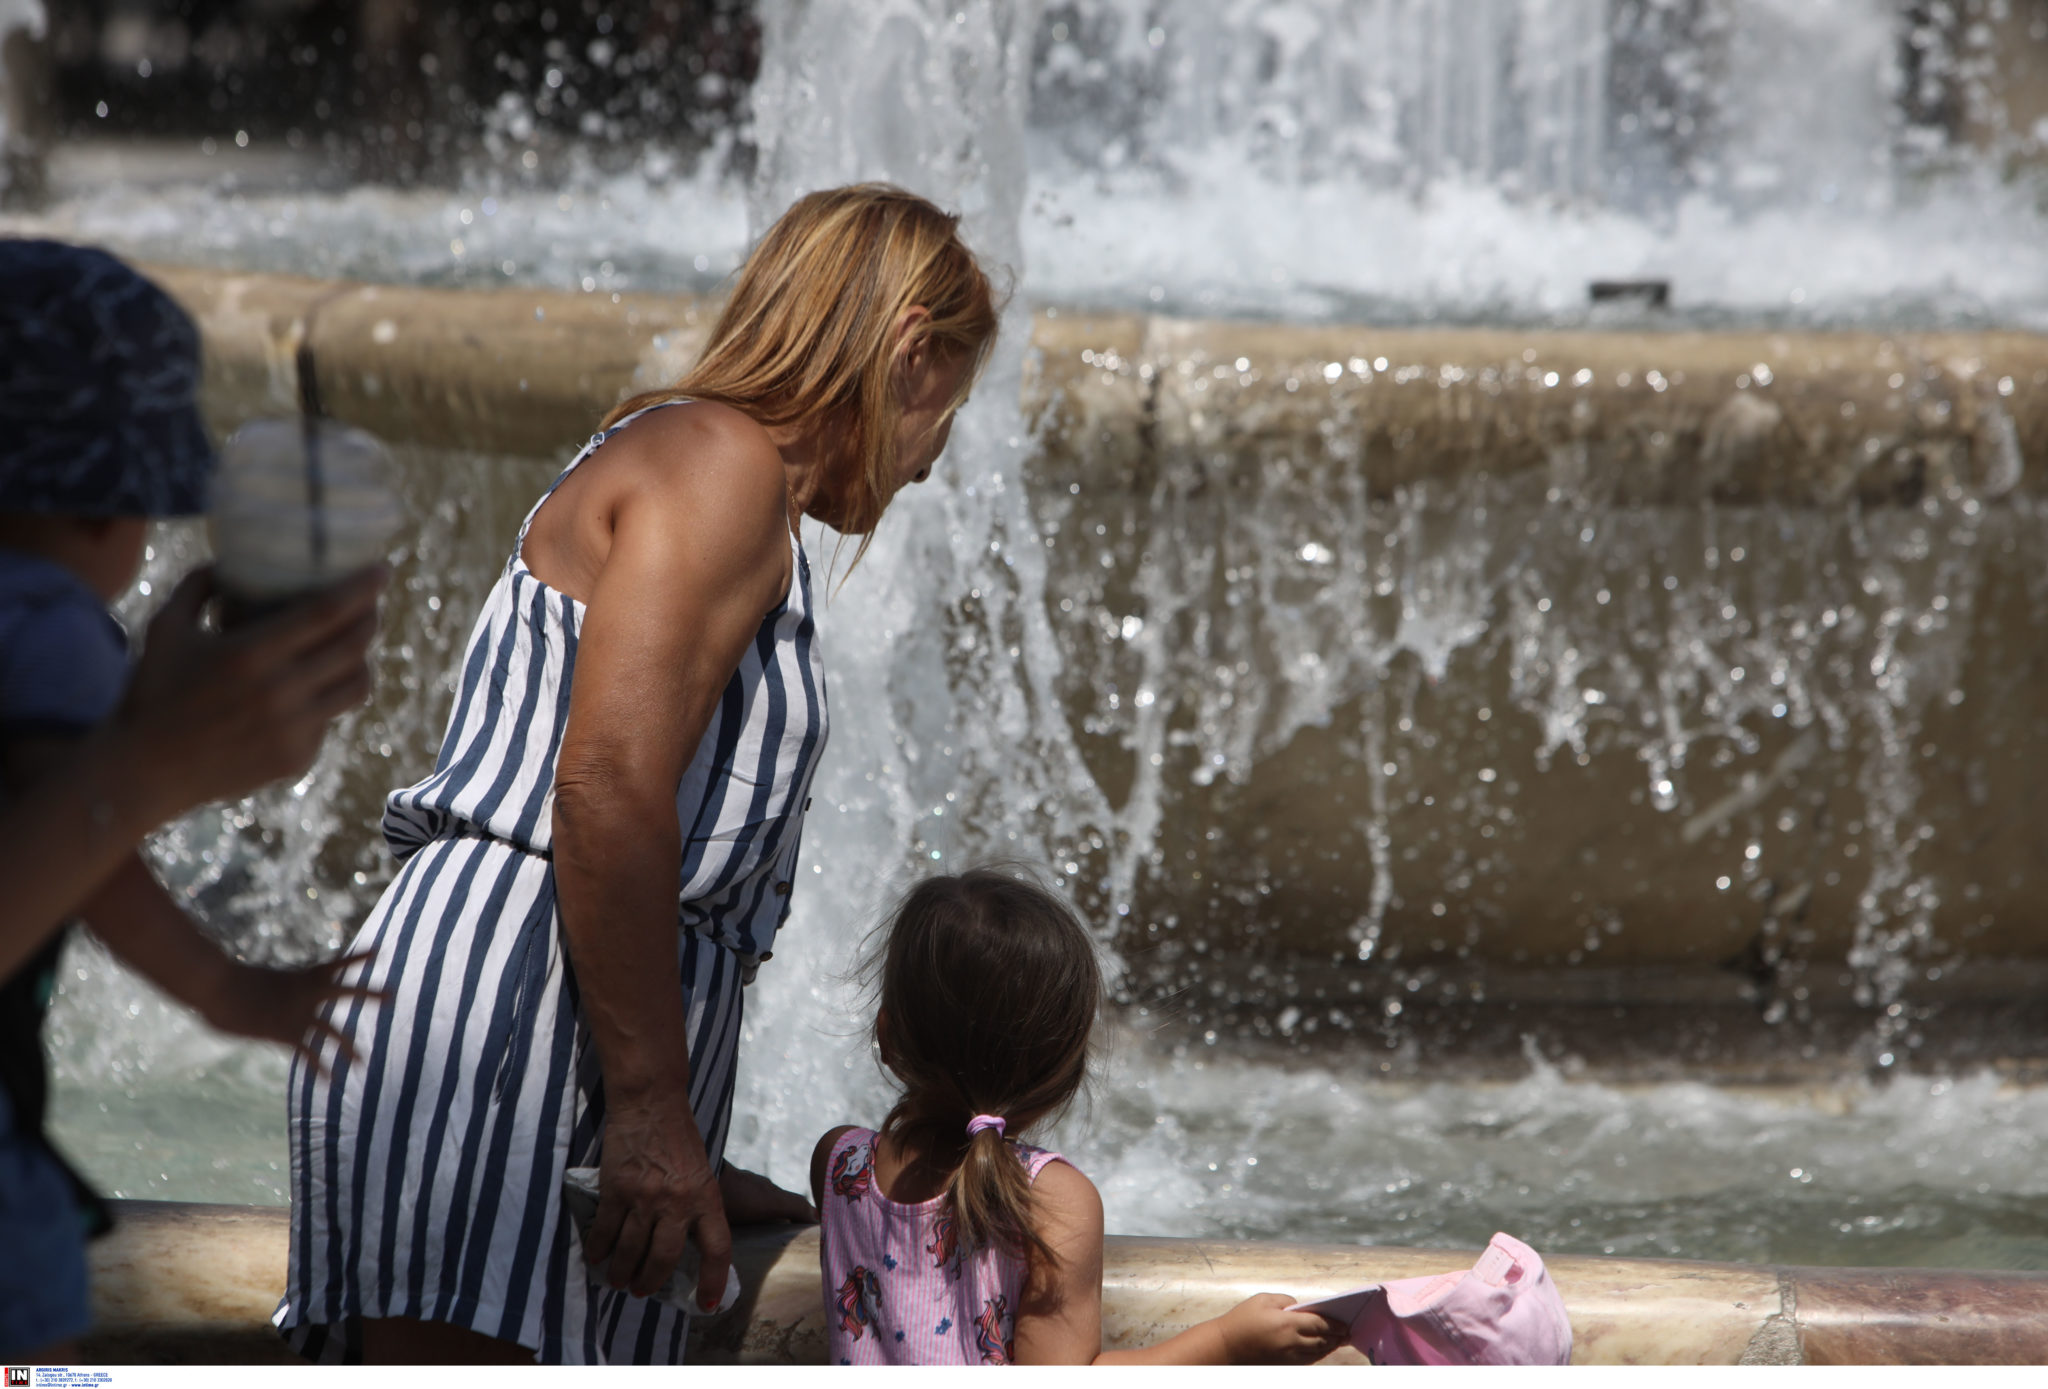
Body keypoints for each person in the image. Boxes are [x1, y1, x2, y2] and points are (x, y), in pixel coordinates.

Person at [277, 184, 1001, 1365]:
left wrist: (682, 1134)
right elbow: (609, 787)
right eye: (947, 411)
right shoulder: (719, 463)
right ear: (910, 350)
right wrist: (654, 1111)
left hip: (536, 1040)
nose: (929, 464)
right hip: (505, 1035)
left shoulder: (705, 465)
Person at [0, 240, 386, 1363]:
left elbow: (61, 850)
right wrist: (163, 755)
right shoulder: (47, 625)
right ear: (102, 512)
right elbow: (90, 841)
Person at [811, 868, 1348, 1366]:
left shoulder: (838, 1163)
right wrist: (1228, 1341)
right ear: (1064, 1064)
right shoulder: (1051, 1202)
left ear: (887, 1036)